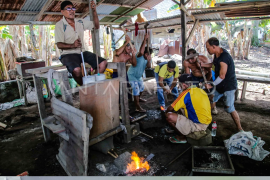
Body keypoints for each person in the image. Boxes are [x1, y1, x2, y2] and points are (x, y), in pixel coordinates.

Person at [55, 0, 107, 85]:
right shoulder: (59, 25)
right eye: (68, 8)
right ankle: (84, 86)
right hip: (68, 54)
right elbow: (59, 45)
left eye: (73, 8)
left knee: (103, 63)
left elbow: (96, 26)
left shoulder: (80, 22)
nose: (71, 10)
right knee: (76, 70)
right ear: (62, 12)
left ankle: (92, 84)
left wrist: (94, 10)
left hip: (82, 52)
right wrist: (72, 45)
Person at [205, 37, 244, 132]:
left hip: (228, 86)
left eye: (208, 47)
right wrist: (202, 65)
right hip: (220, 85)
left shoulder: (224, 58)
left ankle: (240, 128)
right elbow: (213, 65)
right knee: (212, 99)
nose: (207, 50)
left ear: (214, 46)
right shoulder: (217, 54)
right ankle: (205, 121)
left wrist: (211, 85)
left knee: (229, 109)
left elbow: (222, 76)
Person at [165, 74, 212, 143]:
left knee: (169, 116)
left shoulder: (186, 93)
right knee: (181, 108)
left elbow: (170, 109)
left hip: (197, 125)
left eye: (180, 84)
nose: (179, 86)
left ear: (183, 85)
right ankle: (180, 127)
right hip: (206, 122)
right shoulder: (201, 90)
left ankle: (183, 137)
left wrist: (165, 111)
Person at [127, 33, 152, 112]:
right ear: (145, 53)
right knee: (136, 89)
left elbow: (149, 67)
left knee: (141, 88)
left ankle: (137, 98)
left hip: (138, 76)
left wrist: (148, 61)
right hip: (132, 74)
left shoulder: (147, 58)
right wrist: (144, 39)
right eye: (148, 54)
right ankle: (137, 107)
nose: (149, 55)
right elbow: (141, 49)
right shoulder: (139, 55)